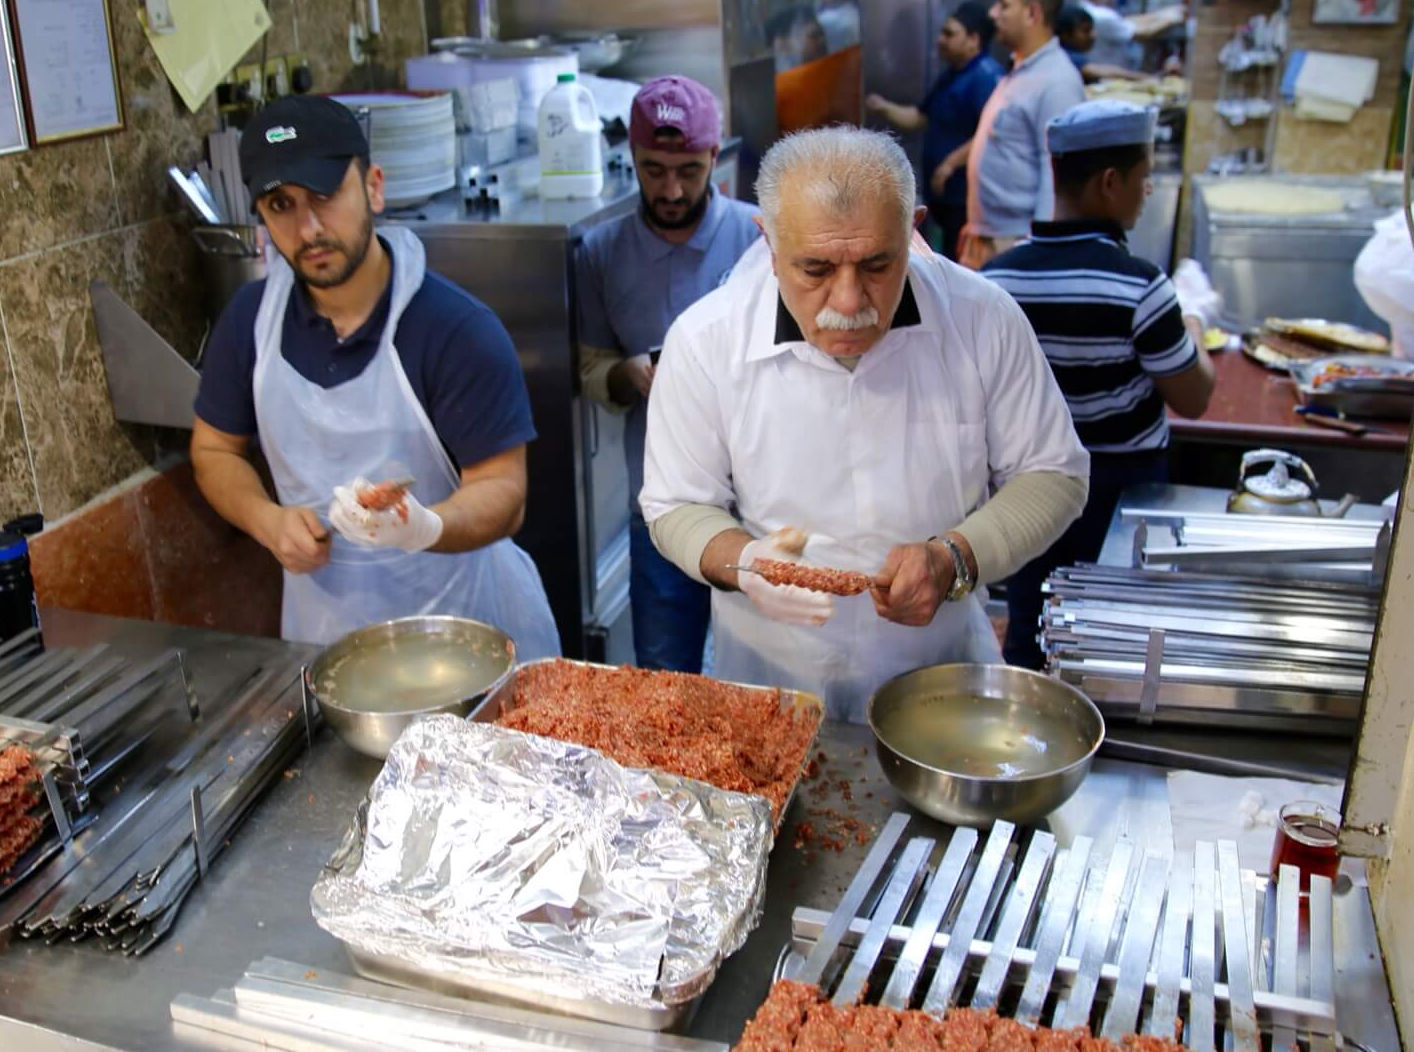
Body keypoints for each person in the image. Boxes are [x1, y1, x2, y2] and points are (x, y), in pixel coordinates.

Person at [640, 126, 1091, 721]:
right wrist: (747, 563)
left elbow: (1053, 474)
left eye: (878, 264)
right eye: (815, 269)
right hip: (772, 677)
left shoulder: (983, 320)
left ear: (914, 230)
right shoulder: (705, 342)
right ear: (769, 243)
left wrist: (954, 558)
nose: (850, 301)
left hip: (940, 672)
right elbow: (675, 505)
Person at [190, 96, 561, 658]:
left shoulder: (453, 329)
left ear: (374, 187)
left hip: (470, 644)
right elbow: (214, 451)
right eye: (281, 204)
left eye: (324, 195)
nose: (308, 227)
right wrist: (266, 520)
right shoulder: (250, 323)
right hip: (332, 651)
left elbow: (505, 494)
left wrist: (424, 528)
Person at [982, 101, 1216, 670]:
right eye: (1144, 177)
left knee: (1030, 640)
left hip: (1025, 503)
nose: (1150, 190)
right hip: (1119, 503)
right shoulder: (1140, 287)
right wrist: (1194, 324)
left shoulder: (995, 281)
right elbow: (1196, 397)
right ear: (1111, 183)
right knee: (1113, 650)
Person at [576, 77, 762, 673]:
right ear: (631, 157)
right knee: (665, 680)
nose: (672, 189)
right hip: (659, 507)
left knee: (761, 679)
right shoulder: (601, 253)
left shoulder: (759, 239)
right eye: (653, 170)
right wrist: (625, 375)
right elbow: (587, 365)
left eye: (687, 169)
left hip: (761, 507)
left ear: (715, 157)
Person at [935, 0, 1087, 271]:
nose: (993, 14)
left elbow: (1057, 173)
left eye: (1003, 6)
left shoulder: (1056, 82)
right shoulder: (1021, 70)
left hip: (1016, 244)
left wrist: (1041, 252)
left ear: (1033, 13)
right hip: (990, 238)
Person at [865, 1, 1001, 259]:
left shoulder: (985, 76)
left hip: (965, 197)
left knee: (959, 261)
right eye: (942, 33)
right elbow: (920, 118)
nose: (941, 40)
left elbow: (991, 132)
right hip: (943, 194)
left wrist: (951, 163)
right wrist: (882, 107)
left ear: (974, 40)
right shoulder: (952, 74)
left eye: (950, 34)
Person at [1076, 0, 1185, 71]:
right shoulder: (1101, 16)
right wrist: (1174, 18)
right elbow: (1144, 33)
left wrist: (1163, 13)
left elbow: (1126, 22)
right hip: (1106, 75)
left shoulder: (1085, 6)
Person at [1057, 6, 1150, 85]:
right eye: (1086, 31)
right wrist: (1147, 78)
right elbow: (1095, 71)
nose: (1093, 35)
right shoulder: (1064, 55)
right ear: (1065, 35)